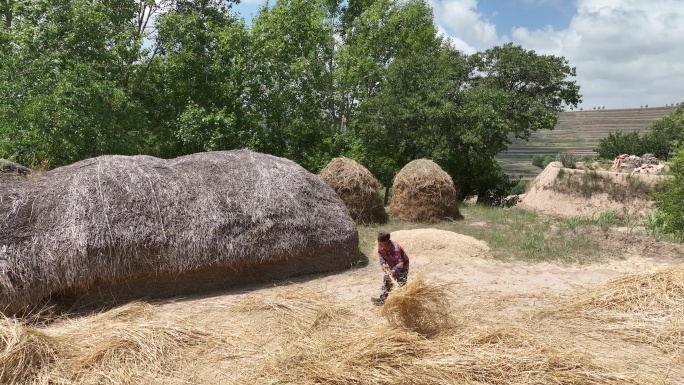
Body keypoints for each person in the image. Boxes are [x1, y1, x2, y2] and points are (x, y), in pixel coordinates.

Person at [371, 230, 410, 305]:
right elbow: (381, 255)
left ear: (385, 242)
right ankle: (383, 298)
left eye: (380, 242)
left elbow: (400, 263)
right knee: (387, 279)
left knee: (401, 282)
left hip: (402, 266)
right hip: (392, 265)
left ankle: (402, 301)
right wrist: (383, 264)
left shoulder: (395, 248)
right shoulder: (380, 246)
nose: (378, 243)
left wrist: (393, 271)